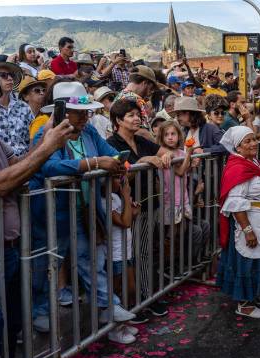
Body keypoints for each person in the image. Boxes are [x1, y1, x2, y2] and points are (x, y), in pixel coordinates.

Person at [29, 82, 135, 334]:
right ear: (62, 111)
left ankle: (107, 305)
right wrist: (95, 163)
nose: (86, 117)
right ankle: (39, 311)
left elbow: (113, 152)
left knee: (91, 260)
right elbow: (50, 167)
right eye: (80, 112)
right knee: (45, 265)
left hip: (83, 208)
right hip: (51, 212)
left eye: (87, 112)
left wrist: (121, 163)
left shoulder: (89, 133)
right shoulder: (45, 134)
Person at [0, 76, 75, 358]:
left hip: (10, 248)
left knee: (11, 325)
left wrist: (45, 141)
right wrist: (47, 149)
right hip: (1, 251)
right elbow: (2, 184)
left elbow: (22, 165)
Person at [107, 98, 174, 322]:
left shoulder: (142, 140)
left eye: (138, 114)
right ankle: (138, 300)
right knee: (132, 255)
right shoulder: (112, 143)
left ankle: (146, 296)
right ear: (118, 120)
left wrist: (164, 155)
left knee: (145, 252)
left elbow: (169, 152)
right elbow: (120, 176)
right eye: (131, 115)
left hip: (151, 204)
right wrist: (144, 160)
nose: (137, 118)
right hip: (130, 209)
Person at [217, 126, 260, 318]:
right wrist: (247, 230)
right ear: (237, 147)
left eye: (254, 139)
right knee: (249, 260)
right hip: (252, 222)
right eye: (247, 141)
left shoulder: (252, 162)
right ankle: (244, 304)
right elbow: (235, 203)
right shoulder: (238, 167)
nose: (254, 143)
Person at [155, 120, 209, 271]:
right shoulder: (166, 153)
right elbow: (179, 171)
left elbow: (186, 171)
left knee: (181, 233)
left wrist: (192, 162)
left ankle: (177, 264)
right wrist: (190, 154)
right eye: (166, 135)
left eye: (173, 134)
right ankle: (166, 266)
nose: (170, 137)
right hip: (170, 200)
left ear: (179, 136)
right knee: (171, 235)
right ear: (162, 137)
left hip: (183, 199)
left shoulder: (180, 153)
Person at [102, 175, 139, 344]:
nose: (122, 182)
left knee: (130, 289)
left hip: (126, 250)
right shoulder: (105, 201)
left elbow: (129, 217)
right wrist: (126, 196)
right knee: (116, 292)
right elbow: (125, 222)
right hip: (115, 253)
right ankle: (114, 329)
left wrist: (133, 210)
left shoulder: (116, 196)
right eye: (117, 179)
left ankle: (123, 323)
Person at [0, 57, 33, 156]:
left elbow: (32, 138)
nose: (10, 78)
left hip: (24, 163)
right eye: (4, 75)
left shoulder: (24, 107)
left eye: (11, 75)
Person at [114, 65, 158, 140]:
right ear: (145, 83)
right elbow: (142, 132)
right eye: (151, 88)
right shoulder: (136, 100)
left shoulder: (119, 96)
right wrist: (160, 148)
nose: (151, 92)